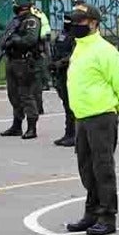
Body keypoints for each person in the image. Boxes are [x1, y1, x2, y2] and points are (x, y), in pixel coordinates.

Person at [64, 3, 119, 235]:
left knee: (102, 168)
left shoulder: (104, 50)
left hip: (101, 116)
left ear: (93, 23)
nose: (75, 25)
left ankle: (107, 215)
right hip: (82, 116)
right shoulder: (80, 47)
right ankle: (91, 211)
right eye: (74, 21)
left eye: (80, 21)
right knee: (86, 168)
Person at [0, 0, 43, 139]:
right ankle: (16, 125)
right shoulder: (16, 20)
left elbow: (30, 39)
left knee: (26, 95)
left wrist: (15, 40)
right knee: (13, 95)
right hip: (13, 60)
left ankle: (32, 127)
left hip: (25, 62)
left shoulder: (31, 20)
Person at [50, 16, 78, 147]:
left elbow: (74, 55)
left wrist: (59, 63)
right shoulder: (63, 34)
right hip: (61, 73)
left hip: (70, 72)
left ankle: (73, 134)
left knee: (72, 104)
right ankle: (69, 133)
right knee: (66, 104)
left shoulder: (77, 37)